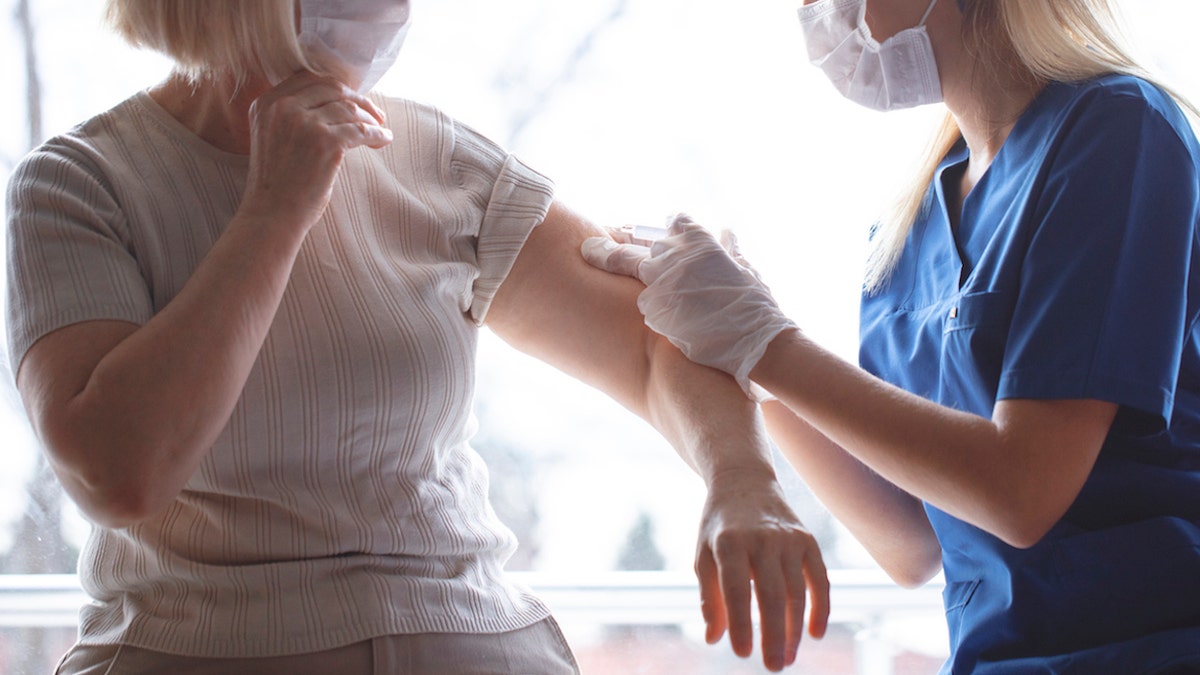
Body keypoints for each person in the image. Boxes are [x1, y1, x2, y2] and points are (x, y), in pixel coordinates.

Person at [4, 1, 831, 673]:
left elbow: (660, 339)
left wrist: (743, 477)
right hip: (205, 647)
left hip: (474, 638)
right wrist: (274, 209)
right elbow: (119, 471)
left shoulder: (432, 154)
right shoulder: (79, 185)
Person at [584, 0, 1200, 672]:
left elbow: (1025, 490)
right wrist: (745, 353)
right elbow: (908, 541)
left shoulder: (1119, 129)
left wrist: (765, 340)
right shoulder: (905, 229)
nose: (817, 11)